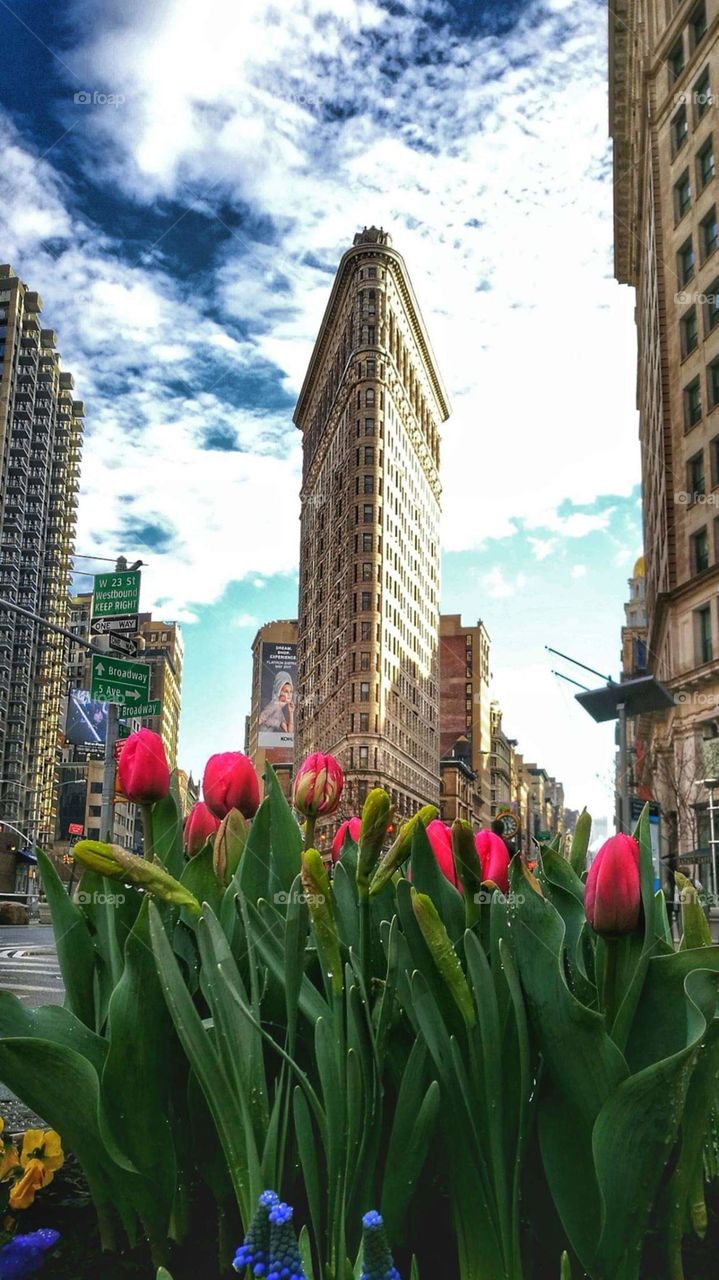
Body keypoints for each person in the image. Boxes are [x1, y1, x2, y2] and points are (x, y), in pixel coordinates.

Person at [258, 670, 295, 736]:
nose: (289, 694)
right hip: (265, 742)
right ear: (279, 691)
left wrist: (291, 713)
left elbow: (289, 734)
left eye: (291, 691)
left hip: (270, 743)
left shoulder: (279, 711)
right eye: (286, 691)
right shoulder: (273, 706)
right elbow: (258, 722)